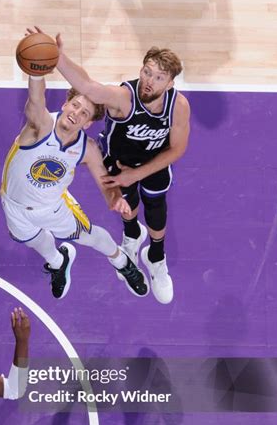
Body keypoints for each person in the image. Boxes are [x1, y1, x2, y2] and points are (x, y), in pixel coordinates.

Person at [1, 41, 148, 299]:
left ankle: (121, 261)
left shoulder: (87, 148)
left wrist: (116, 200)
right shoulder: (40, 126)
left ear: (89, 122)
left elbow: (105, 183)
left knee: (90, 236)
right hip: (13, 205)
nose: (77, 113)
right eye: (76, 106)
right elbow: (36, 100)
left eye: (84, 113)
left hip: (53, 207)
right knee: (35, 241)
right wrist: (36, 71)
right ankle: (59, 262)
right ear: (67, 103)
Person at [55, 31, 191, 304]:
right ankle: (132, 235)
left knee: (155, 208)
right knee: (125, 205)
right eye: (147, 72)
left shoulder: (178, 106)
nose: (149, 81)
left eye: (158, 77)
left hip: (153, 164)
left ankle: (155, 257)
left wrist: (138, 174)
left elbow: (177, 149)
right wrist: (58, 57)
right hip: (117, 162)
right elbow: (90, 87)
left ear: (170, 82)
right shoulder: (123, 98)